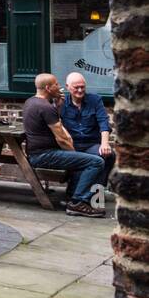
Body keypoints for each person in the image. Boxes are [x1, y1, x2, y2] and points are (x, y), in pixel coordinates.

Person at [25, 73, 107, 218]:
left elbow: (103, 123)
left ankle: (89, 197)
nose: (59, 87)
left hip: (38, 153)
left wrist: (58, 107)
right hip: (45, 155)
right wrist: (75, 153)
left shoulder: (30, 102)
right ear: (48, 88)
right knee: (96, 162)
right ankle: (77, 202)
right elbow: (62, 138)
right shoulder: (46, 107)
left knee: (103, 157)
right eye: (56, 84)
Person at [60, 72, 115, 192]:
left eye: (82, 87)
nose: (80, 90)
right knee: (91, 160)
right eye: (76, 87)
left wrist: (105, 144)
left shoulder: (95, 100)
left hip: (91, 144)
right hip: (72, 146)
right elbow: (54, 124)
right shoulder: (61, 103)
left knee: (108, 155)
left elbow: (103, 122)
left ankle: (95, 193)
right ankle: (77, 195)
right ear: (68, 86)